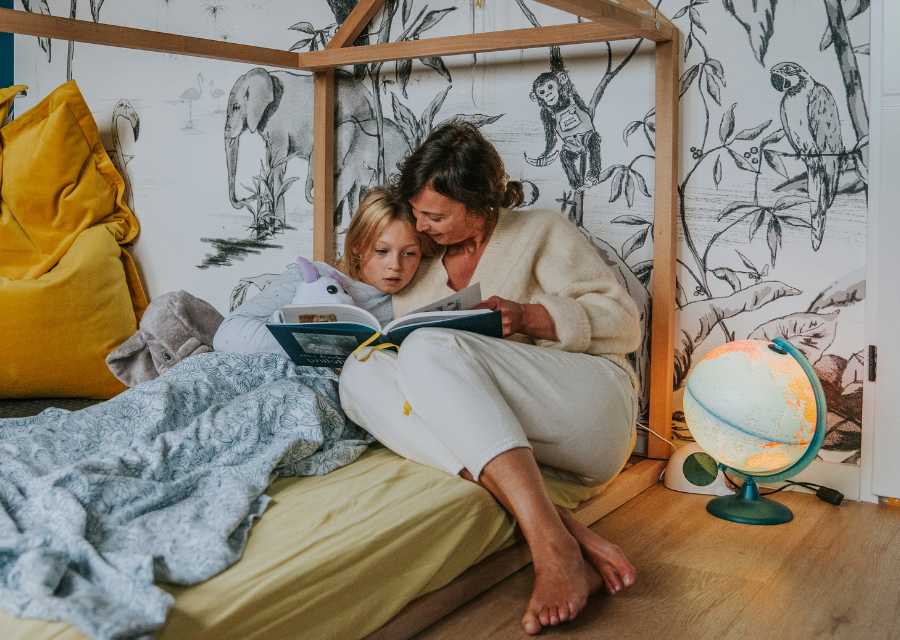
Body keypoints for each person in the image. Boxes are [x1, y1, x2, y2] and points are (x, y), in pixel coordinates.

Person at [338, 121, 642, 635]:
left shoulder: (540, 230)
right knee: (360, 371)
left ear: (478, 204)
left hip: (588, 412)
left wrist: (530, 318)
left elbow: (624, 324)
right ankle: (561, 530)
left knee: (431, 347)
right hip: (506, 435)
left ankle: (550, 547)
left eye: (434, 215)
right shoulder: (420, 266)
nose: (422, 226)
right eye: (416, 213)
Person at [213, 187, 435, 354]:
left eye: (409, 253)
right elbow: (227, 335)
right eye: (381, 251)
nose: (395, 265)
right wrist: (310, 340)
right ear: (357, 246)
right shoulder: (312, 278)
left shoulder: (418, 293)